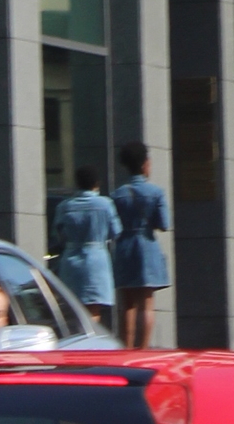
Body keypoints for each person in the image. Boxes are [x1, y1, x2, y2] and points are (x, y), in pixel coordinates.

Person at [110, 139, 171, 350]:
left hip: (125, 247)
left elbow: (113, 226)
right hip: (147, 246)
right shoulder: (156, 193)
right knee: (147, 302)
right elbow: (164, 224)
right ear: (145, 164)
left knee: (127, 302)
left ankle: (126, 348)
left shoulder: (117, 194)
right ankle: (143, 349)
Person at [50, 166, 118, 326]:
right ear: (96, 184)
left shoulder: (65, 206)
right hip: (96, 258)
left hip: (71, 258)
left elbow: (58, 234)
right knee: (94, 308)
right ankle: (90, 343)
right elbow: (115, 231)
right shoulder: (105, 204)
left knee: (72, 307)